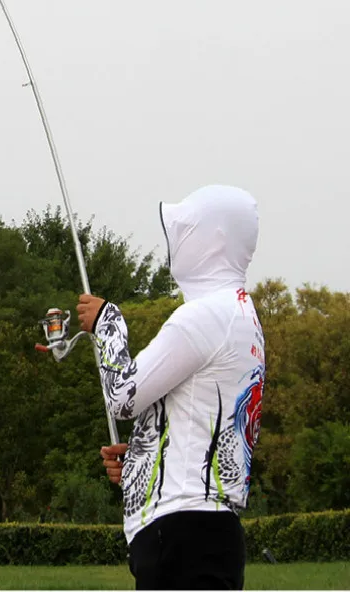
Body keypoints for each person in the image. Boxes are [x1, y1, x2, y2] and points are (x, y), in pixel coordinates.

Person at [76, 185, 265, 590]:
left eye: (186, 230)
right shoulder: (241, 315)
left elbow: (122, 397)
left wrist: (107, 324)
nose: (175, 241)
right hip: (205, 532)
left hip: (184, 537)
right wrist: (143, 462)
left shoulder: (203, 315)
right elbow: (201, 421)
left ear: (214, 240)